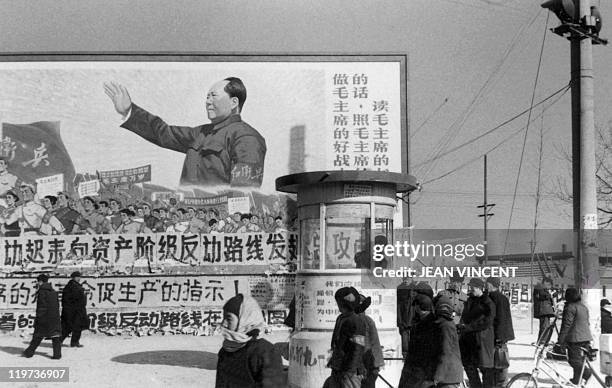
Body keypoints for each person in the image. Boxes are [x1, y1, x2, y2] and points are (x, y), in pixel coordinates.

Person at [104, 78, 267, 187]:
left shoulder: (246, 137)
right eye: (207, 97)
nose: (207, 102)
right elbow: (164, 133)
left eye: (213, 96)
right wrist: (129, 110)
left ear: (233, 102)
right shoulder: (201, 133)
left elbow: (244, 191)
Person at [215, 293, 284, 387]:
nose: (223, 323)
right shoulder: (225, 351)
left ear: (245, 320)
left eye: (228, 319)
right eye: (223, 318)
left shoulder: (265, 352)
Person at [325, 287, 366, 388]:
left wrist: (350, 370)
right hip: (338, 367)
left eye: (338, 302)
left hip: (350, 371)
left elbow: (358, 347)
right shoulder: (340, 318)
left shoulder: (357, 321)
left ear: (343, 304)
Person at [458, 278, 495, 388]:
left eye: (473, 287)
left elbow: (487, 322)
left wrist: (469, 327)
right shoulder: (470, 300)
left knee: (485, 369)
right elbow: (465, 316)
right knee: (469, 367)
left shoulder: (488, 302)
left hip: (482, 341)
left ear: (479, 288)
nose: (471, 289)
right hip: (469, 340)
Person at [398, 294, 439, 388]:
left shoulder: (425, 324)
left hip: (419, 370)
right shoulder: (431, 322)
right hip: (418, 369)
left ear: (418, 307)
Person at [558, 287, 593, 385]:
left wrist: (560, 341)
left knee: (573, 360)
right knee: (579, 360)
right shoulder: (583, 307)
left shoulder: (570, 307)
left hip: (576, 338)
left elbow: (566, 325)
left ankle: (587, 373)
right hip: (586, 337)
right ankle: (576, 380)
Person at [23, 274, 62, 359]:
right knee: (55, 336)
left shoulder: (42, 292)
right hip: (54, 317)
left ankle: (29, 352)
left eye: (38, 281)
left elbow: (42, 307)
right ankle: (57, 355)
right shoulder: (53, 291)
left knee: (38, 335)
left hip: (44, 317)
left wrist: (39, 318)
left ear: (40, 281)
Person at [486, 277, 515, 388]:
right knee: (498, 362)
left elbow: (501, 319)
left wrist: (498, 337)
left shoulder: (497, 298)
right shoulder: (500, 297)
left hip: (498, 337)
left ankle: (501, 384)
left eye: (487, 284)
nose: (485, 286)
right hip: (498, 336)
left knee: (500, 361)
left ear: (491, 285)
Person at [433, 296, 463, 388]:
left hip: (448, 376)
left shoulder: (445, 326)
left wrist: (438, 375)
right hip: (447, 376)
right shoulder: (442, 324)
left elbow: (445, 352)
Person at [355, 294, 384, 388]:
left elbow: (375, 343)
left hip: (362, 363)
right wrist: (378, 365)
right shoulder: (367, 320)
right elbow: (375, 343)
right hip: (366, 363)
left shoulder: (348, 320)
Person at [60, 271, 89, 348]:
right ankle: (71, 342)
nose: (79, 278)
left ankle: (72, 342)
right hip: (75, 310)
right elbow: (75, 299)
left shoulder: (72, 286)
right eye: (78, 277)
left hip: (74, 310)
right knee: (72, 327)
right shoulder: (73, 286)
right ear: (74, 277)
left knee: (72, 327)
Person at [533, 277, 555, 344]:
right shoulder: (539, 287)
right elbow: (543, 296)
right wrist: (550, 294)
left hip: (545, 311)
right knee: (544, 327)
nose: (549, 286)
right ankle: (542, 340)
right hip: (543, 310)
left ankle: (543, 340)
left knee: (545, 326)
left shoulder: (541, 288)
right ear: (545, 282)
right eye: (548, 284)